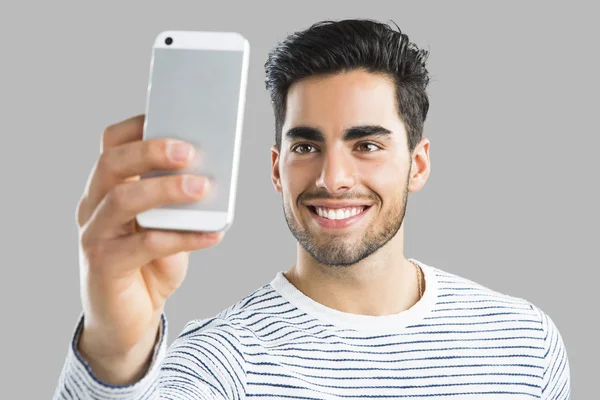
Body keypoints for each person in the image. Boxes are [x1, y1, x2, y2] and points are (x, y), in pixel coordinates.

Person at [53, 19, 570, 399]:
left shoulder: (524, 340)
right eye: (306, 147)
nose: (332, 178)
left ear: (418, 164)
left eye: (366, 145)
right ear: (276, 168)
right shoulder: (219, 365)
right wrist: (114, 354)